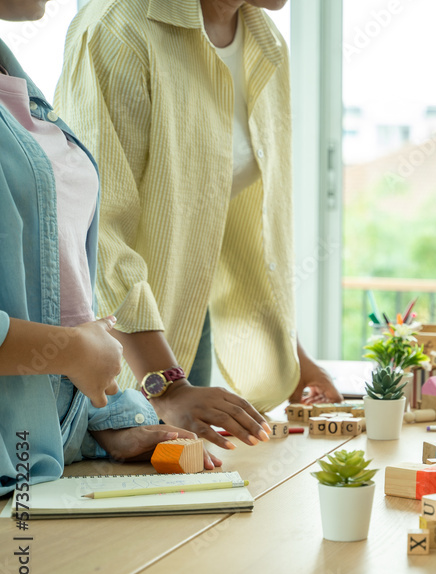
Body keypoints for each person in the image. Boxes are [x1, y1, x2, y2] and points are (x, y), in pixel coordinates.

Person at [54, 0, 341, 453]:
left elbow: (240, 232)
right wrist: (166, 385)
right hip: (114, 347)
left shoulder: (263, 42)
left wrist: (295, 359)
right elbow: (96, 229)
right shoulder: (119, 25)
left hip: (185, 324)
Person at [0, 0, 215, 496]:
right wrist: (72, 349)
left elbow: (61, 293)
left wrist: (106, 419)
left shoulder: (12, 76)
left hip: (48, 458)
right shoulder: (114, 30)